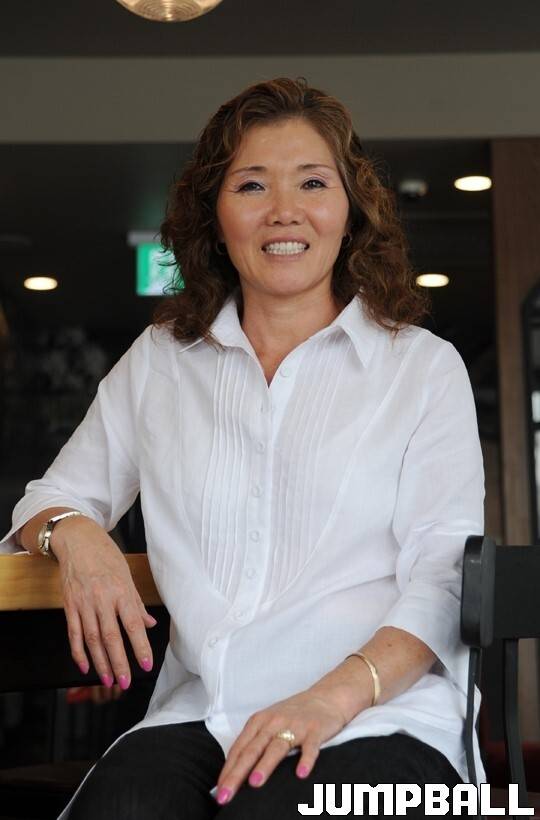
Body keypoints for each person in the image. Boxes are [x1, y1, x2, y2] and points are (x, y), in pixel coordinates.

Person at [0, 77, 485, 819]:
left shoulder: (421, 368)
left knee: (276, 810)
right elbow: (52, 498)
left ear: (350, 211)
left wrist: (329, 699)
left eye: (313, 182)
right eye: (252, 184)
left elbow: (445, 578)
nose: (284, 210)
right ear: (215, 216)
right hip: (204, 711)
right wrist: (78, 535)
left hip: (380, 712)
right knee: (123, 807)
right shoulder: (163, 361)